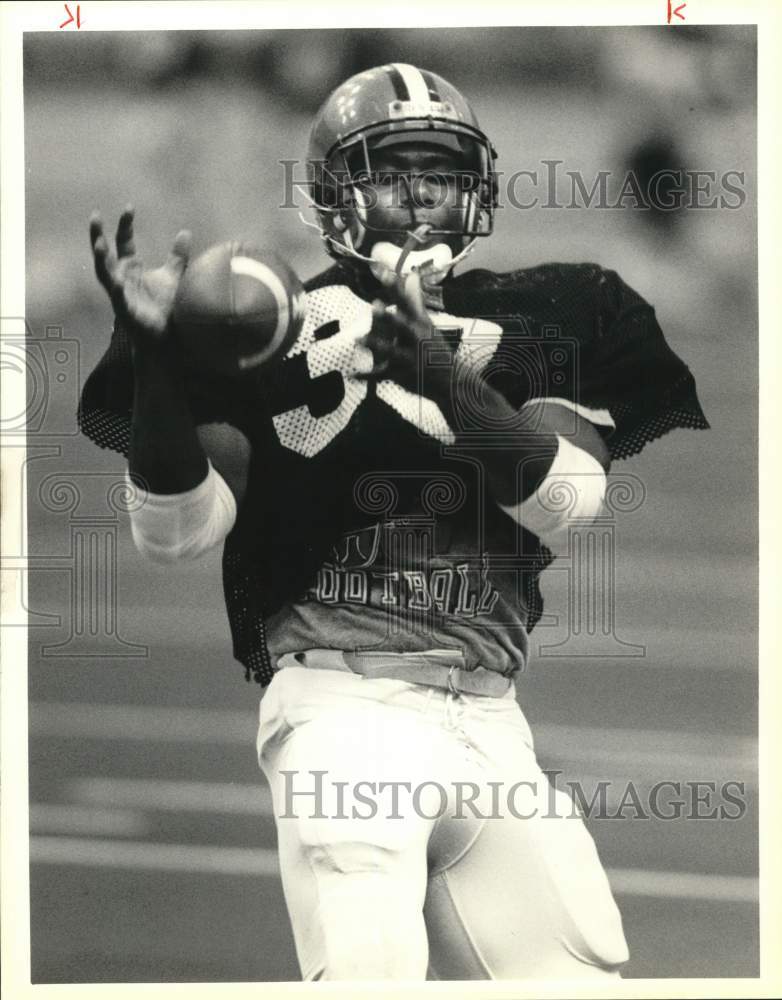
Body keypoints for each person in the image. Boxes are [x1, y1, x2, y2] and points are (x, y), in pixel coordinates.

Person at [80, 63, 709, 981]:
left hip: (494, 722)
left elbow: (566, 499)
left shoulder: (548, 313)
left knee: (578, 977)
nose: (421, 198)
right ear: (336, 194)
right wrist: (162, 370)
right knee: (370, 971)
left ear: (479, 189)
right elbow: (174, 531)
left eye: (443, 174)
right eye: (391, 172)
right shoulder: (271, 326)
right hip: (344, 709)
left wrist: (444, 379)